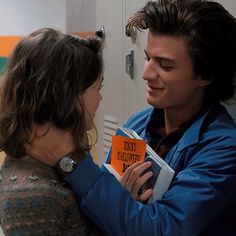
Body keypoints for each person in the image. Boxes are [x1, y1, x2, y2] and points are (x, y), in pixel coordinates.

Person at [26, 0, 236, 235]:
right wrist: (119, 202)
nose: (146, 74)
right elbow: (101, 205)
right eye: (147, 58)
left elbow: (160, 229)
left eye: (165, 66)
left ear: (204, 75)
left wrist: (71, 161)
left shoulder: (224, 148)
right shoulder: (136, 125)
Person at [0, 28, 104, 235]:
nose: (100, 98)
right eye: (98, 88)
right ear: (70, 96)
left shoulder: (60, 162)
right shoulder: (33, 193)